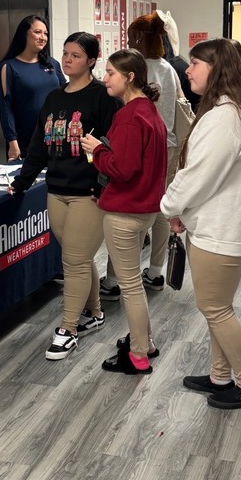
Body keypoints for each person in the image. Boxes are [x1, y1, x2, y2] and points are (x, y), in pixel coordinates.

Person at [161, 37, 241, 409]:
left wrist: (169, 206)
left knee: (216, 309)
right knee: (218, 306)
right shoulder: (233, 110)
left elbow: (197, 176)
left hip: (220, 235)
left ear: (217, 69)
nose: (188, 70)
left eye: (195, 64)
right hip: (220, 229)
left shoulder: (224, 118)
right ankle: (220, 377)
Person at [9, 33, 122, 359]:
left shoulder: (103, 97)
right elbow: (37, 147)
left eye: (75, 55)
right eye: (65, 53)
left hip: (88, 194)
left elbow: (114, 148)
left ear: (91, 60)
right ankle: (95, 313)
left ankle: (68, 328)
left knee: (72, 260)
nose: (68, 59)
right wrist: (22, 181)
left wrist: (105, 185)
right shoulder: (54, 98)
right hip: (56, 192)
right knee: (79, 257)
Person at [81, 49, 167, 376]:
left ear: (129, 77)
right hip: (144, 209)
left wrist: (97, 150)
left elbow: (122, 168)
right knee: (134, 285)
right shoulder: (149, 111)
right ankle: (146, 342)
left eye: (111, 73)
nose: (105, 79)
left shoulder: (130, 115)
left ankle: (138, 354)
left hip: (125, 212)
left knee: (130, 286)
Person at [126, 11, 180, 292]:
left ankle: (120, 277)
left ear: (136, 37)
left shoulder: (133, 70)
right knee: (161, 209)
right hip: (167, 146)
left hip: (140, 149)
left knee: (130, 212)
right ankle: (156, 271)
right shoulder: (168, 69)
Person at [0, 15, 65, 160]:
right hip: (27, 143)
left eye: (45, 33)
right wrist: (12, 142)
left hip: (57, 139)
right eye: (37, 32)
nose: (43, 37)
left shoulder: (52, 64)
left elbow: (66, 94)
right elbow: (5, 108)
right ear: (25, 34)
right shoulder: (8, 67)